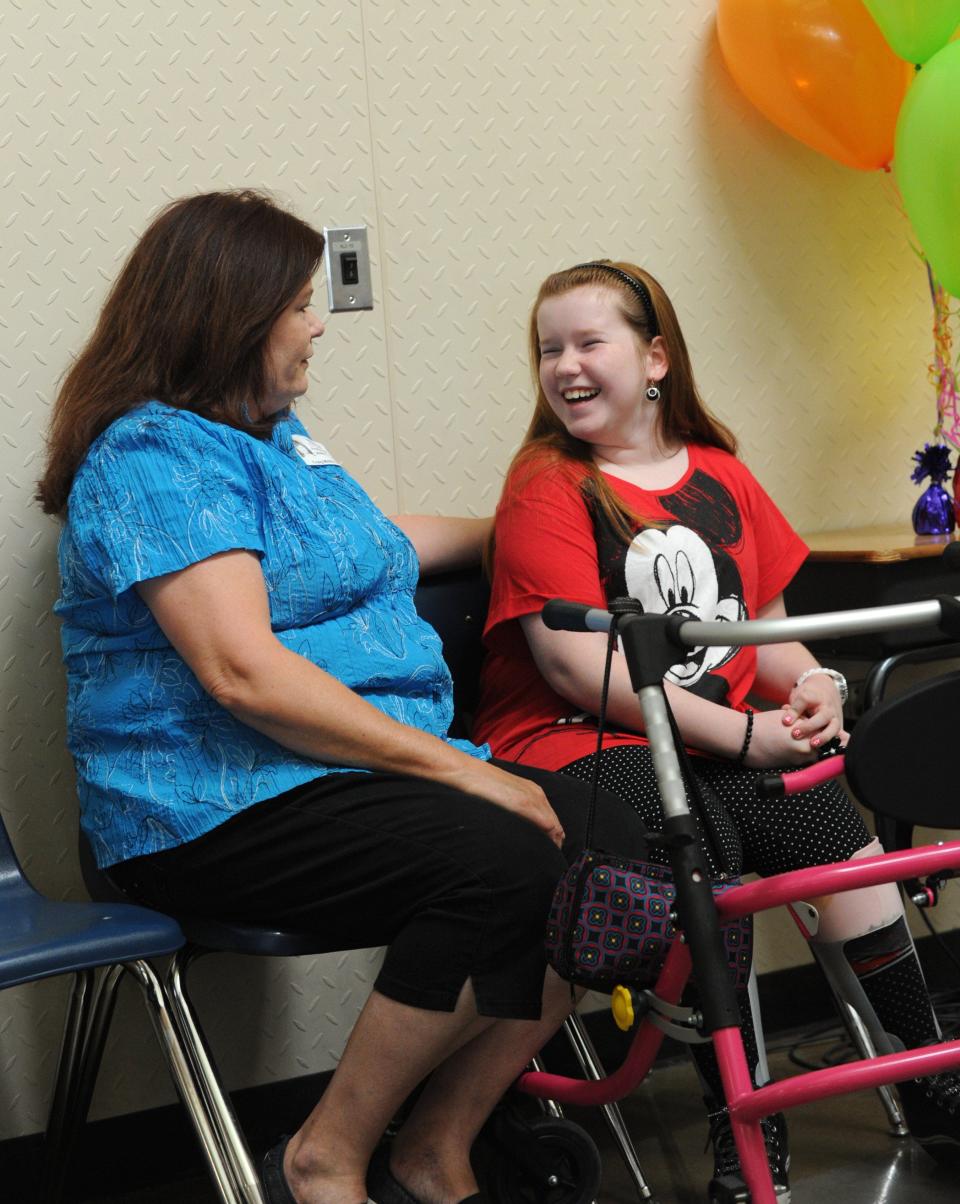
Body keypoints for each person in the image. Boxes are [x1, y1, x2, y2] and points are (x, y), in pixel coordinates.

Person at [36, 198, 646, 1204]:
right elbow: (244, 673)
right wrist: (464, 770)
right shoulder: (150, 457)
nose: (318, 325)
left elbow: (371, 547)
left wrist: (536, 529)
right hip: (209, 804)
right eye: (300, 304)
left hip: (339, 775)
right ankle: (326, 1155)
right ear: (233, 314)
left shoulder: (278, 437)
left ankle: (436, 1145)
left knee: (619, 845)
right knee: (504, 862)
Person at [474, 259, 960, 1201]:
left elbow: (764, 632)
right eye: (548, 350)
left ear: (655, 357)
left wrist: (816, 686)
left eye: (588, 343)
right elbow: (579, 667)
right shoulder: (548, 484)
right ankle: (743, 1130)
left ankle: (931, 1075)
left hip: (701, 740)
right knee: (699, 842)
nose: (565, 366)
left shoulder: (723, 473)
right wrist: (745, 741)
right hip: (583, 742)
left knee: (833, 836)